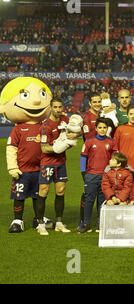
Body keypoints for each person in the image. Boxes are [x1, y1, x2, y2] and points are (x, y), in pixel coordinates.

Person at [0, 77, 53, 233]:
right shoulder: (17, 130)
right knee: (19, 195)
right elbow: (11, 149)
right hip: (22, 170)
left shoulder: (44, 127)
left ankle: (39, 219)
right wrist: (12, 167)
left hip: (40, 169)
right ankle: (18, 220)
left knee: (39, 196)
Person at [36, 97, 79, 235]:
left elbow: (75, 134)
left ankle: (59, 223)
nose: (58, 110)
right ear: (50, 108)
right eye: (55, 107)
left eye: (60, 107)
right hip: (48, 163)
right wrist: (58, 147)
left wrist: (72, 137)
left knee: (60, 191)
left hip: (61, 163)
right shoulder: (46, 126)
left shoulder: (65, 120)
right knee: (43, 191)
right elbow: (44, 148)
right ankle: (40, 224)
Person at [79, 117, 115, 234]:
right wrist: (84, 172)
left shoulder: (111, 142)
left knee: (102, 201)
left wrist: (110, 173)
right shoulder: (89, 141)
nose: (102, 130)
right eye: (100, 127)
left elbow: (114, 159)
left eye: (105, 127)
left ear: (107, 129)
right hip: (91, 175)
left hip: (105, 176)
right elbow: (83, 157)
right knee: (89, 200)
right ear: (96, 128)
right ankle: (86, 223)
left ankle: (101, 225)